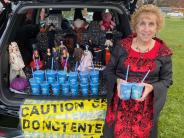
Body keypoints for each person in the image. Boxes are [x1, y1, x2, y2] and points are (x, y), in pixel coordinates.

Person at [103, 4, 173, 138]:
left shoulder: (163, 53)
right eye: (142, 24)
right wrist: (117, 81)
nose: (146, 29)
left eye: (151, 24)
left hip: (146, 112)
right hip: (119, 108)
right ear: (135, 26)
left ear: (157, 27)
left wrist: (151, 87)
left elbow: (167, 80)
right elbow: (108, 71)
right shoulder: (122, 46)